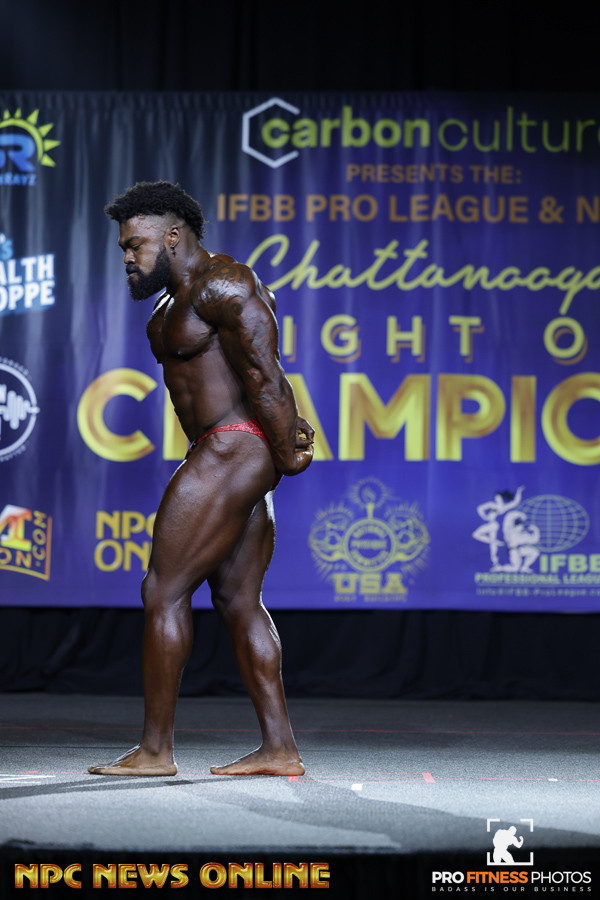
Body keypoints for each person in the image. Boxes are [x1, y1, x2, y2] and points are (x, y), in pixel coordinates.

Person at [88, 181, 314, 777]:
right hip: (227, 449)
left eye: (135, 245)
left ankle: (155, 751)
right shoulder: (167, 309)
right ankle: (280, 749)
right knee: (239, 601)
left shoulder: (227, 283)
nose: (128, 257)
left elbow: (265, 374)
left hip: (234, 446)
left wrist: (287, 448)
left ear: (173, 235)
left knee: (162, 591)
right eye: (123, 248)